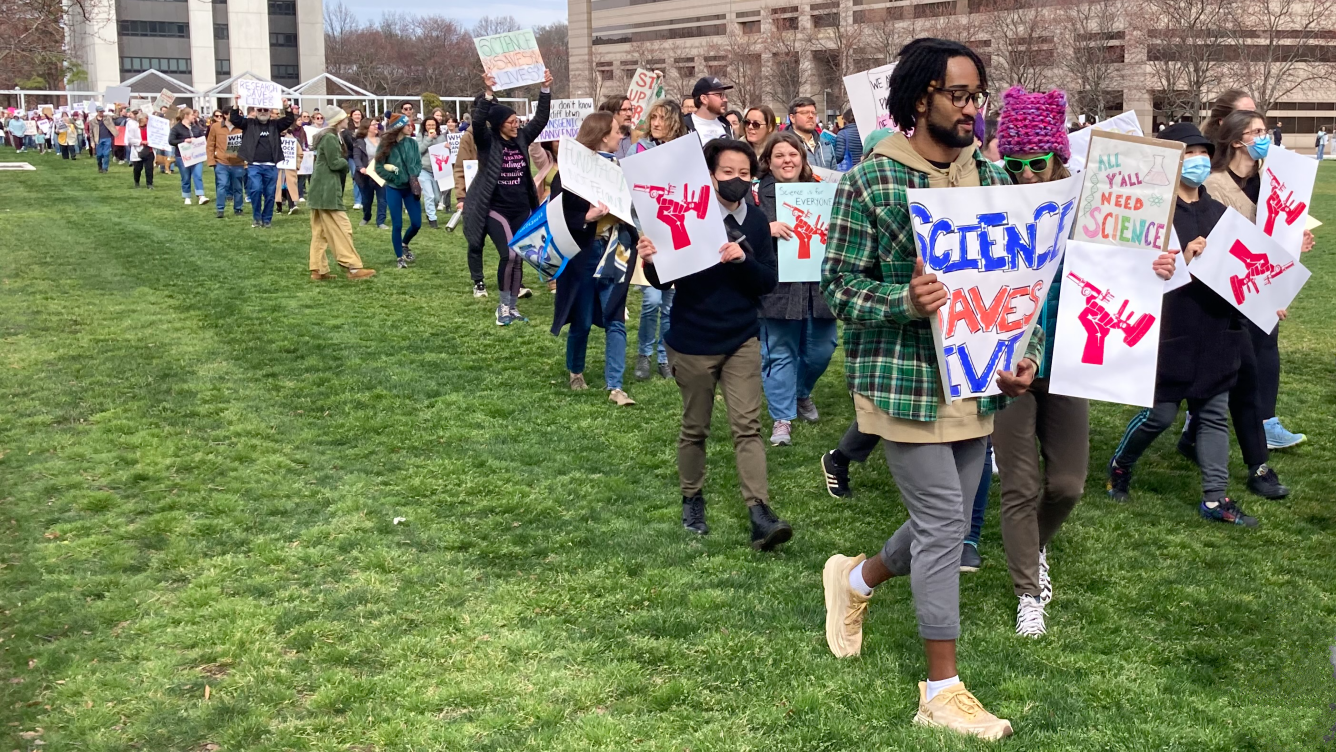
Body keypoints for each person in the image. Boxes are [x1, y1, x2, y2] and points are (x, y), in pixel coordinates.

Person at [819, 38, 1035, 741]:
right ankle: (940, 689)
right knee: (946, 523)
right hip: (903, 383)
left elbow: (1022, 284)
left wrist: (1022, 352)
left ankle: (853, 583)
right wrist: (905, 301)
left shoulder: (995, 181)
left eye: (978, 95)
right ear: (922, 100)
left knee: (938, 521)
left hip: (976, 379)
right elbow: (839, 287)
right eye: (959, 95)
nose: (973, 108)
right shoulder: (871, 183)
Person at [990, 86, 1176, 637]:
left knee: (1068, 484)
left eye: (1037, 161)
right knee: (1019, 486)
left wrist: (1160, 266)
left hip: (1073, 357)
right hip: (1008, 361)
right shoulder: (990, 204)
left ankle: (1035, 548)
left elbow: (1132, 264)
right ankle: (1028, 592)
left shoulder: (1090, 208)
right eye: (1015, 162)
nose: (1026, 173)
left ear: (1058, 157)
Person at [637, 138, 790, 551]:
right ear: (710, 175)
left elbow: (767, 282)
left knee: (748, 426)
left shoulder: (757, 221)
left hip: (741, 336)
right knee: (695, 427)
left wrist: (744, 261)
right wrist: (651, 261)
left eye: (744, 173)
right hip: (692, 340)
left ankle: (760, 511)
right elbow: (664, 281)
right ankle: (692, 498)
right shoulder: (683, 214)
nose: (736, 180)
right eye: (727, 173)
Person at [1107, 122, 1262, 527]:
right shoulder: (1153, 216)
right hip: (1172, 328)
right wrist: (1182, 262)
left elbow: (1246, 265)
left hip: (1216, 328)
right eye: (1187, 154)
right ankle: (1121, 464)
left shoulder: (1221, 212)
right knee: (1159, 415)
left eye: (1201, 152)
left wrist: (1270, 291)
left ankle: (1214, 498)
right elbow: (1131, 275)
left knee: (1213, 413)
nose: (1196, 160)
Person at [1201, 109, 1314, 456]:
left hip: (1265, 283)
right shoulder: (1213, 183)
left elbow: (1282, 227)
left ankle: (1267, 423)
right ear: (1236, 140)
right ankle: (1198, 427)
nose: (1264, 137)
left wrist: (1298, 240)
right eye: (1256, 132)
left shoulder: (1273, 178)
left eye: (1265, 130)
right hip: (1228, 284)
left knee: (1265, 351)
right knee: (1226, 361)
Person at [755, 130, 839, 447]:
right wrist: (766, 228)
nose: (787, 160)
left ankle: (801, 392)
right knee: (779, 352)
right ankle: (782, 417)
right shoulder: (755, 195)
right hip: (777, 285)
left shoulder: (821, 191)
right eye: (779, 155)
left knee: (822, 348)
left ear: (802, 159)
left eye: (793, 154)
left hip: (817, 283)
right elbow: (734, 230)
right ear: (768, 161)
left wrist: (834, 227)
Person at [549, 112, 638, 405]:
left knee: (615, 317)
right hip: (584, 252)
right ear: (602, 136)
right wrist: (586, 216)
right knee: (583, 319)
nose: (620, 136)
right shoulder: (570, 172)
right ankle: (576, 371)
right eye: (616, 131)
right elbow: (556, 215)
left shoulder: (623, 169)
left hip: (618, 247)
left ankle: (616, 385)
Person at [464, 69, 553, 325]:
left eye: (517, 121)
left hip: (521, 207)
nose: (517, 125)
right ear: (500, 124)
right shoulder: (487, 141)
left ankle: (512, 306)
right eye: (512, 121)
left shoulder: (522, 138)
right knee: (509, 255)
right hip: (495, 208)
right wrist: (489, 93)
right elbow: (479, 122)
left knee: (520, 254)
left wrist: (545, 88)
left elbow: (541, 119)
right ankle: (503, 307)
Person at [630, 100, 686, 380]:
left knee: (670, 302)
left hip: (676, 234)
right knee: (651, 299)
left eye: (662, 118)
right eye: (653, 117)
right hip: (646, 236)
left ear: (674, 121)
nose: (656, 123)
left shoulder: (685, 152)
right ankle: (644, 354)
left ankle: (664, 357)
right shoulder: (637, 150)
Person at [306, 106, 376, 282]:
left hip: (319, 189)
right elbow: (335, 163)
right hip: (326, 189)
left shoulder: (330, 136)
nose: (347, 119)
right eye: (344, 117)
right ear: (338, 120)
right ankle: (353, 267)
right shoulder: (330, 137)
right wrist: (346, 163)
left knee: (320, 232)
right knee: (343, 228)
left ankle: (318, 269)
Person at [229, 101, 295, 229]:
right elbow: (235, 119)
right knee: (256, 190)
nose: (263, 112)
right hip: (254, 165)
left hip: (271, 166)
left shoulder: (275, 125)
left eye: (265, 109)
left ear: (270, 111)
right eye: (260, 110)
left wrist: (286, 106)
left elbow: (289, 119)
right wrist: (236, 103)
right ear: (255, 110)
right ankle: (257, 217)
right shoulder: (249, 123)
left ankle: (267, 219)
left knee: (270, 194)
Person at [374, 114, 424, 269]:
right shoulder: (385, 144)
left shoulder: (412, 143)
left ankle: (404, 244)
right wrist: (394, 178)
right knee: (397, 224)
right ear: (399, 127)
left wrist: (412, 175)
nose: (411, 127)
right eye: (407, 124)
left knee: (416, 223)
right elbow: (378, 167)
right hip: (393, 188)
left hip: (410, 188)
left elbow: (418, 163)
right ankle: (399, 257)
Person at [452, 125, 488, 296]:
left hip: (500, 196)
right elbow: (460, 167)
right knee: (475, 241)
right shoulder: (469, 137)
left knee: (508, 241)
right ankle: (478, 281)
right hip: (476, 197)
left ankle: (514, 281)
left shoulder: (504, 133)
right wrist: (461, 197)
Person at [208, 105, 246, 218]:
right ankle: (220, 209)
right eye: (233, 113)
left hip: (238, 162)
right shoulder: (215, 127)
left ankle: (238, 209)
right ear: (225, 115)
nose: (237, 116)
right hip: (221, 162)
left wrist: (246, 160)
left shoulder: (242, 127)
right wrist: (211, 161)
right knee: (222, 185)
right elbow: (210, 144)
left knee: (238, 187)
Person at [352, 120, 388, 229]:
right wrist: (361, 168)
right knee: (367, 200)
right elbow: (356, 157)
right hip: (366, 175)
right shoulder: (360, 142)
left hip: (380, 174)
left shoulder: (382, 141)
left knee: (382, 199)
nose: (376, 126)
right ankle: (366, 216)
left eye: (377, 125)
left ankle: (380, 221)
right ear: (367, 127)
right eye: (374, 125)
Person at [169, 107, 208, 206]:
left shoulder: (195, 127)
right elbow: (171, 141)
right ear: (186, 116)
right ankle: (187, 196)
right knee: (185, 177)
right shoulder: (176, 128)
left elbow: (201, 137)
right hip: (182, 157)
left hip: (196, 156)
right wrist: (184, 141)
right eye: (192, 115)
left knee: (198, 175)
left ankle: (201, 196)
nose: (194, 116)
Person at [786, 97, 837, 170]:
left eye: (813, 113)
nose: (811, 116)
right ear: (792, 118)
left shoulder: (826, 144)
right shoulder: (782, 145)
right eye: (804, 113)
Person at [416, 116, 448, 229]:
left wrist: (448, 148)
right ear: (424, 126)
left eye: (433, 125)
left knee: (437, 197)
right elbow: (419, 150)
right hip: (423, 169)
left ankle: (430, 212)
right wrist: (429, 139)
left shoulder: (441, 137)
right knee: (428, 195)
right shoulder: (420, 136)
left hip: (437, 170)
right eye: (428, 125)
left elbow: (445, 152)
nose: (431, 127)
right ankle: (432, 218)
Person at [684, 77, 733, 144]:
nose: (725, 100)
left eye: (724, 95)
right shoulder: (684, 126)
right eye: (719, 95)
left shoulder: (726, 125)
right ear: (704, 99)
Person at [275, 121, 303, 215]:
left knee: (289, 186)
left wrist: (297, 164)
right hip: (278, 169)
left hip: (289, 168)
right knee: (278, 187)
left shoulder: (292, 140)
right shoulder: (273, 139)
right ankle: (279, 207)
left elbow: (299, 154)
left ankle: (292, 206)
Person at [343, 108, 364, 208]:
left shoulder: (365, 127)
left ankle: (365, 199)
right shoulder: (347, 129)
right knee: (356, 177)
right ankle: (358, 201)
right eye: (355, 114)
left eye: (359, 114)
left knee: (365, 178)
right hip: (352, 156)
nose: (357, 116)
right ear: (352, 116)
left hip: (365, 155)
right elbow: (348, 143)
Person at [130, 115, 154, 189]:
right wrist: (141, 142)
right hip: (138, 151)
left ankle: (149, 184)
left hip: (149, 150)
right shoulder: (134, 128)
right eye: (145, 118)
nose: (147, 120)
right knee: (138, 168)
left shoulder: (150, 128)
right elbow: (130, 140)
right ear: (141, 119)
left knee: (149, 168)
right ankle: (137, 182)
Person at [92, 105, 116, 172]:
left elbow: (116, 116)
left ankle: (105, 168)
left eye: (102, 111)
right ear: (97, 112)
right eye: (100, 112)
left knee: (106, 154)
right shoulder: (93, 121)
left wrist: (116, 109)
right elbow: (91, 133)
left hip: (107, 138)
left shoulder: (107, 117)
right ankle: (100, 166)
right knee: (99, 155)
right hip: (98, 139)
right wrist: (92, 142)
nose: (102, 113)